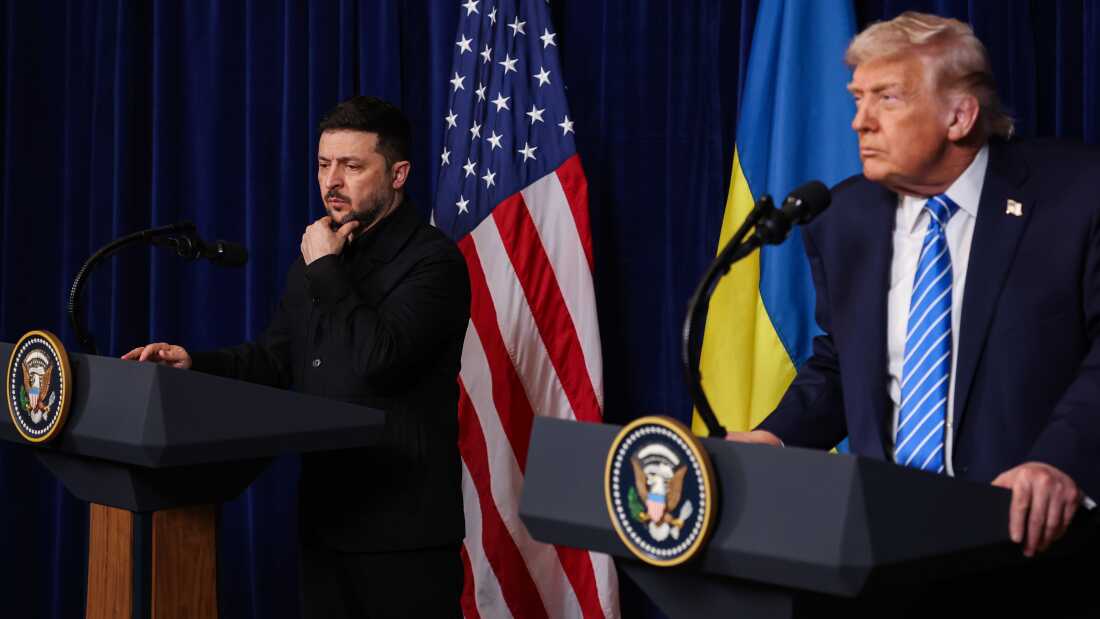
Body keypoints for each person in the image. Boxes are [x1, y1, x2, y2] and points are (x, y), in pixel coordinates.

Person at [727, 9, 1100, 601]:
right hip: (884, 555)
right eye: (857, 99)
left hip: (1033, 551)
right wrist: (775, 438)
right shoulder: (842, 217)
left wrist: (1062, 461)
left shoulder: (1078, 194)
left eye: (887, 98)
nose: (860, 122)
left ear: (959, 115)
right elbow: (839, 363)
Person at [122, 96, 470, 618]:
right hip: (326, 522)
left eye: (353, 166)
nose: (332, 181)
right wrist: (193, 363)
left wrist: (327, 270)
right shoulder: (321, 254)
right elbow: (274, 359)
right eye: (324, 165)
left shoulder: (433, 261)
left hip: (404, 535)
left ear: (398, 174)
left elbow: (379, 359)